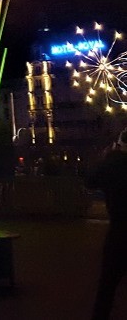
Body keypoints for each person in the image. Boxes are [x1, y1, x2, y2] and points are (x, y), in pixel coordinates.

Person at [87, 128, 127, 319]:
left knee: (107, 285)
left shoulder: (113, 164)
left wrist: (107, 157)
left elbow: (90, 181)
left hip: (119, 232)